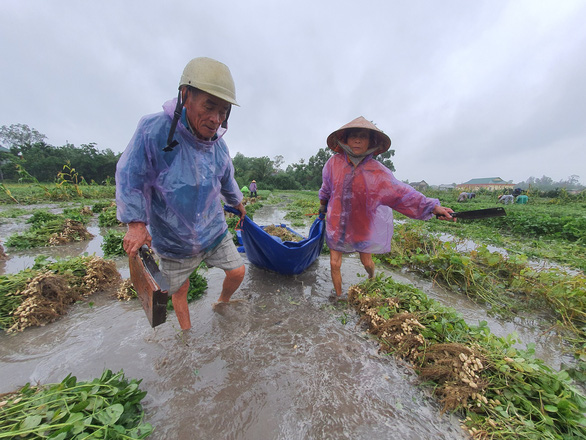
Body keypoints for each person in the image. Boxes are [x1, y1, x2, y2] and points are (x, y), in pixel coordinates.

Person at [116, 57, 247, 330]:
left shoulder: (218, 147)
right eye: (209, 107)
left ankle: (222, 302)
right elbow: (132, 176)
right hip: (173, 238)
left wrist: (238, 202)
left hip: (213, 231)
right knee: (179, 289)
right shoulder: (154, 131)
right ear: (186, 96)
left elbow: (227, 180)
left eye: (223, 111)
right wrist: (136, 224)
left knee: (237, 270)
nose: (215, 119)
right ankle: (186, 337)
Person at [318, 116, 455, 298]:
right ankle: (339, 297)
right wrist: (322, 208)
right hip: (336, 221)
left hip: (362, 223)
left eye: (363, 136)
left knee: (366, 261)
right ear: (346, 140)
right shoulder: (333, 163)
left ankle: (372, 279)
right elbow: (326, 189)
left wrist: (432, 206)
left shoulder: (378, 171)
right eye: (353, 136)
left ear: (370, 142)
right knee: (334, 263)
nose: (358, 140)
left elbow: (402, 193)